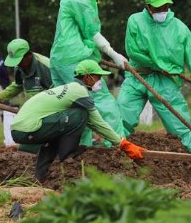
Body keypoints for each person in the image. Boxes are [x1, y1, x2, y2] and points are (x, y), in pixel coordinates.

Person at [11, 60, 147, 181]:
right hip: (29, 127)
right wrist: (123, 144)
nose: (101, 81)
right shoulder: (79, 91)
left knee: (56, 134)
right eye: (98, 77)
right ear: (88, 77)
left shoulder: (70, 89)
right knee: (80, 115)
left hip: (21, 128)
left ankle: (40, 176)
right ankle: (69, 160)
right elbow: (98, 123)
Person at [117, 0, 191, 154]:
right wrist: (161, 66)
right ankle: (109, 152)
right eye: (157, 8)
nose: (162, 11)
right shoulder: (135, 21)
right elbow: (133, 51)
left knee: (181, 126)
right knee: (121, 116)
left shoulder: (179, 28)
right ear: (148, 7)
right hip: (137, 76)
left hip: (165, 82)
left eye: (165, 7)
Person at [49, 0, 126, 145]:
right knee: (101, 101)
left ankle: (79, 149)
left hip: (58, 59)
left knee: (72, 104)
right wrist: (113, 53)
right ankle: (118, 146)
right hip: (76, 59)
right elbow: (92, 31)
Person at [0, 39, 54, 151]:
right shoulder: (19, 67)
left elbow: (56, 93)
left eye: (19, 60)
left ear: (28, 55)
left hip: (49, 111)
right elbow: (18, 85)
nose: (17, 64)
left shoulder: (45, 67)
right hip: (35, 110)